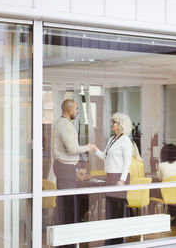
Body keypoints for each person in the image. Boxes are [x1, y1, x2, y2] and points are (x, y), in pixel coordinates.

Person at [51, 99, 96, 248]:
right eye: (77, 109)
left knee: (65, 204)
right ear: (69, 109)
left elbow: (64, 154)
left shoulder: (58, 123)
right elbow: (72, 149)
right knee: (68, 206)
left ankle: (62, 241)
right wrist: (87, 147)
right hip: (65, 169)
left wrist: (75, 171)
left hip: (63, 167)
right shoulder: (66, 125)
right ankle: (67, 243)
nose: (78, 112)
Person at [94, 112, 133, 245]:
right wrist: (94, 150)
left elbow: (127, 162)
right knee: (110, 208)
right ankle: (109, 240)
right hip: (110, 177)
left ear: (120, 124)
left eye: (114, 122)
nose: (111, 124)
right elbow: (104, 156)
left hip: (120, 178)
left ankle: (118, 241)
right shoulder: (111, 139)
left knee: (118, 209)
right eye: (111, 121)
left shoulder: (125, 140)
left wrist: (122, 180)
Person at [150, 144, 176, 225]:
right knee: (174, 191)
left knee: (151, 193)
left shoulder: (161, 165)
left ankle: (151, 219)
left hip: (167, 194)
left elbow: (160, 178)